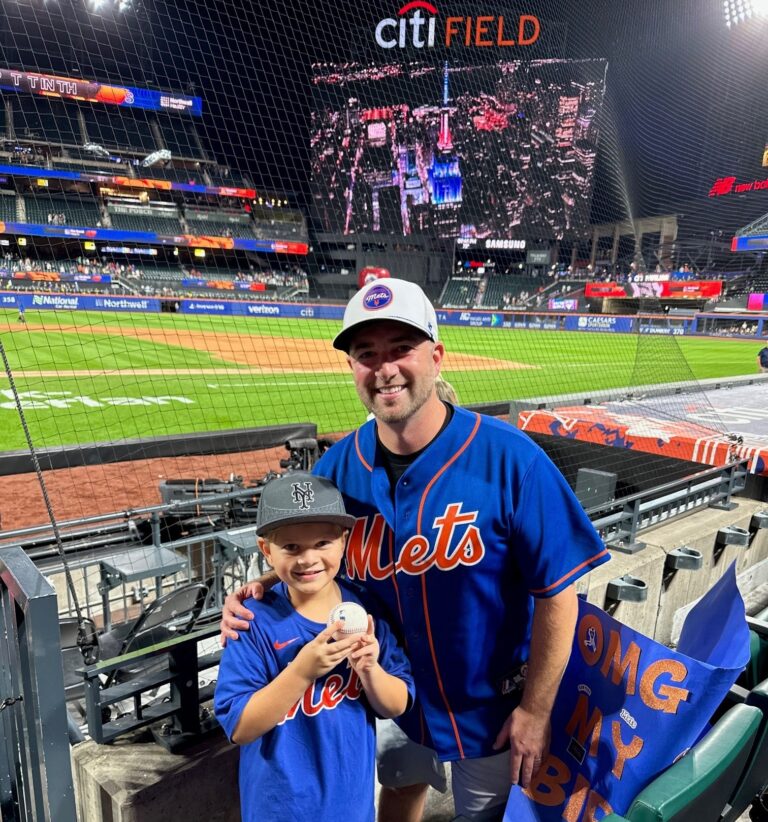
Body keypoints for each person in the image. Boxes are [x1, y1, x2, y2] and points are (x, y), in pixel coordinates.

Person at [221, 278, 610, 821]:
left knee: (485, 815)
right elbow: (309, 554)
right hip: (386, 695)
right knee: (403, 790)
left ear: (436, 354)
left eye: (400, 348)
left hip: (492, 710)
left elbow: (558, 592)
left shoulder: (511, 459)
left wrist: (536, 709)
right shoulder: (335, 471)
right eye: (366, 354)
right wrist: (261, 589)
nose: (384, 368)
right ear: (352, 367)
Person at [214, 471, 413, 822]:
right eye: (291, 547)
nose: (307, 559)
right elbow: (239, 726)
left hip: (351, 807)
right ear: (267, 551)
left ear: (343, 542)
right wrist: (303, 671)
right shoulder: (252, 622)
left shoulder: (365, 610)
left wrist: (370, 670)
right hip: (280, 810)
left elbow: (396, 704)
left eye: (322, 543)